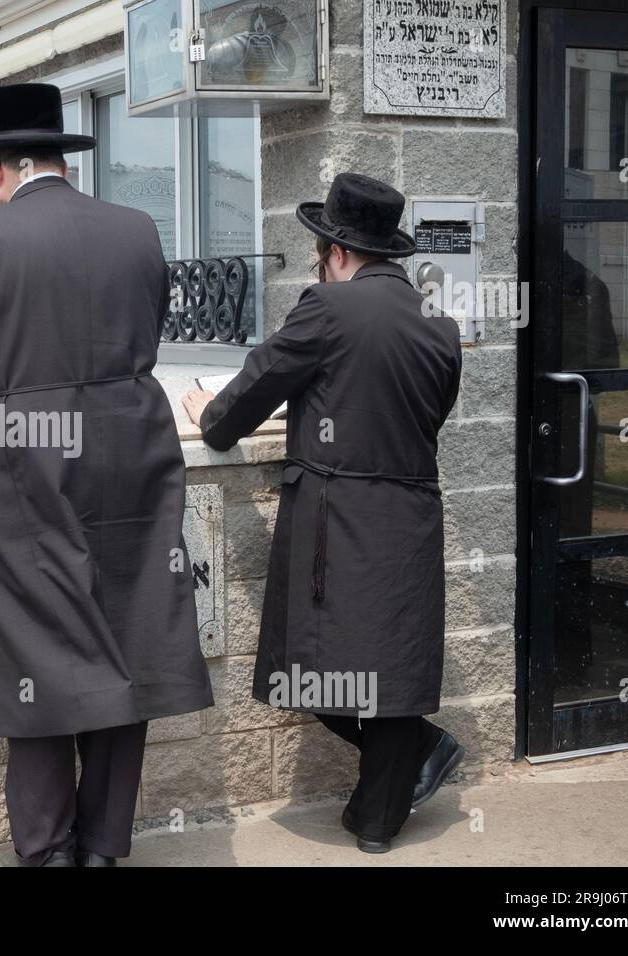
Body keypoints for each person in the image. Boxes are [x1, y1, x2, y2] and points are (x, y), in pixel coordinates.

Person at [0, 83, 213, 868]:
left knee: (39, 657)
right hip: (134, 458)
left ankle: (46, 853)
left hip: (22, 470)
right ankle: (105, 848)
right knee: (127, 644)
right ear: (60, 160)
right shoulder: (138, 230)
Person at [182, 172, 466, 853]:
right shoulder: (441, 322)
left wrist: (207, 414)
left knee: (305, 666)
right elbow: (426, 414)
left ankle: (410, 770)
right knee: (392, 672)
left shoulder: (326, 309)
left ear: (336, 253)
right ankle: (379, 819)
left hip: (337, 522)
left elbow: (247, 397)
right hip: (411, 513)